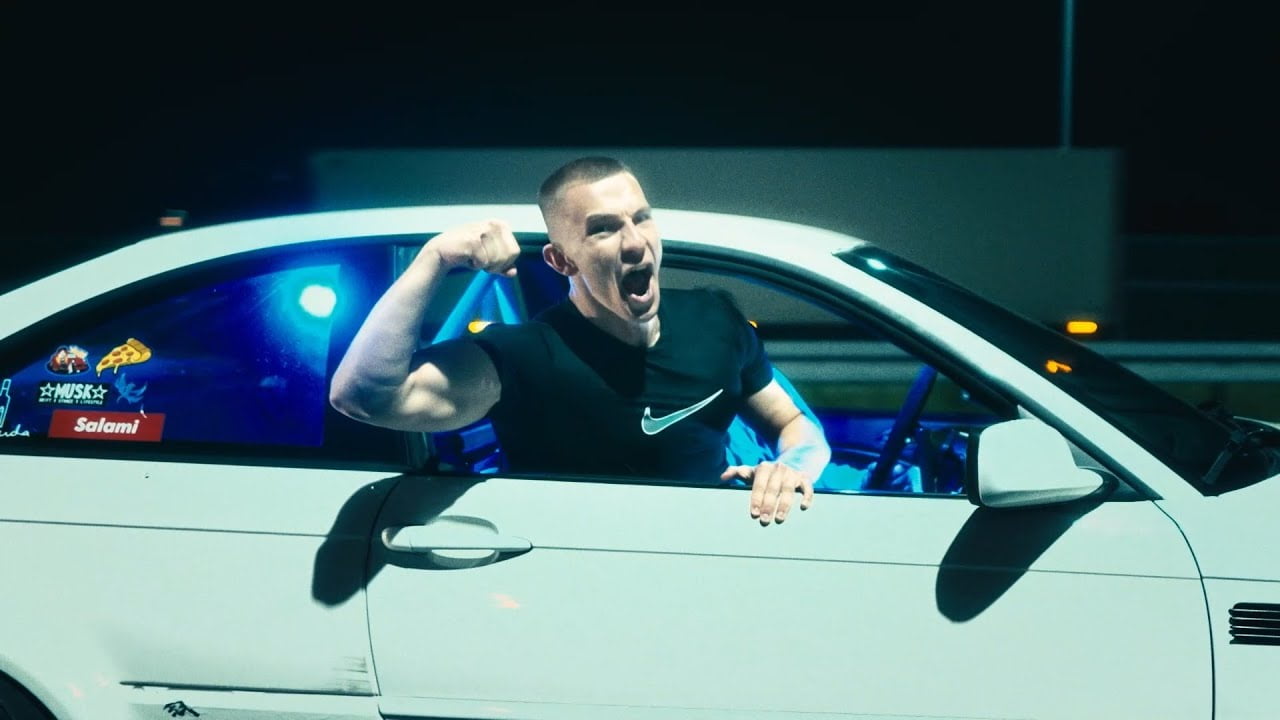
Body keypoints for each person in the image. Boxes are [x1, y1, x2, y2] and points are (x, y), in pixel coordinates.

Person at [329, 157, 830, 525]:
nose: (635, 242)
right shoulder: (525, 358)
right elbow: (365, 396)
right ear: (560, 261)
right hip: (582, 581)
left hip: (715, 559)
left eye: (641, 217)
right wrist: (435, 257)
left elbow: (795, 424)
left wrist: (791, 468)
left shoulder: (714, 318)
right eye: (603, 230)